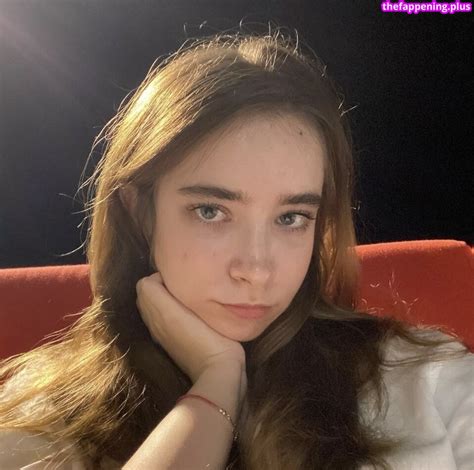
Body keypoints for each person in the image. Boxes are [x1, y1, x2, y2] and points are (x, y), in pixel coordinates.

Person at [0, 27, 473, 470]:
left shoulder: (426, 375)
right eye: (211, 211)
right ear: (139, 212)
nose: (256, 269)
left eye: (291, 217)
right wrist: (216, 384)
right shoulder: (45, 415)